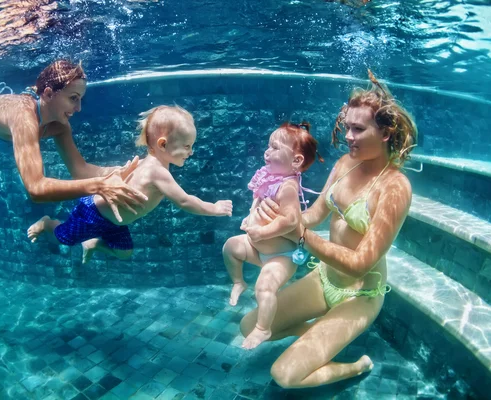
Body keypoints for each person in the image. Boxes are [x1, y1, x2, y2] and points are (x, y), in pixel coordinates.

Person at [241, 70, 417, 388]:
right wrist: (276, 217)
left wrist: (300, 236)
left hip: (360, 295)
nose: (348, 136)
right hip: (324, 278)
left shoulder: (395, 187)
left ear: (386, 133)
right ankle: (315, 338)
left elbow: (361, 262)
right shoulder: (344, 165)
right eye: (347, 126)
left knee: (285, 376)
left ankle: (355, 366)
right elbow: (314, 215)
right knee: (248, 325)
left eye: (358, 129)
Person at [0, 59, 147, 245]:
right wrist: (100, 186)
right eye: (73, 98)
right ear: (49, 93)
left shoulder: (59, 127)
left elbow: (80, 169)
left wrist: (123, 170)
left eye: (81, 99)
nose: (79, 108)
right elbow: (36, 188)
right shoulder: (24, 117)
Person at [27, 105, 233, 263]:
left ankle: (92, 244)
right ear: (163, 144)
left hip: (115, 222)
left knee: (125, 252)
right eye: (187, 146)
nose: (191, 152)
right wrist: (214, 208)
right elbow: (185, 202)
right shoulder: (157, 171)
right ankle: (47, 224)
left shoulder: (151, 163)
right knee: (63, 238)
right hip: (94, 214)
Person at [222, 122, 323, 350]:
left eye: (275, 147)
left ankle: (262, 328)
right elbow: (257, 199)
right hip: (257, 247)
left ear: (296, 161)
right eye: (268, 146)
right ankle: (238, 281)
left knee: (265, 287)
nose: (267, 151)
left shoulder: (287, 187)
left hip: (281, 256)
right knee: (230, 247)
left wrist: (261, 231)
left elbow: (290, 221)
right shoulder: (268, 177)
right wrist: (250, 217)